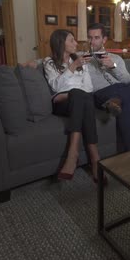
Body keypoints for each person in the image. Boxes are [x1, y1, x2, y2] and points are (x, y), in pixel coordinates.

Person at [43, 29, 104, 183]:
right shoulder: (49, 63)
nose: (76, 43)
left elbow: (88, 87)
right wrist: (72, 68)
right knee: (79, 95)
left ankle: (73, 154)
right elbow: (56, 86)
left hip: (79, 101)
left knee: (81, 95)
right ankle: (95, 158)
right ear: (61, 43)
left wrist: (74, 91)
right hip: (62, 105)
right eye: (72, 40)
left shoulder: (79, 60)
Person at [85, 23, 130, 151]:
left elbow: (127, 80)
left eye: (96, 38)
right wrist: (36, 62)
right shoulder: (83, 57)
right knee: (128, 101)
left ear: (104, 39)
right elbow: (55, 59)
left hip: (121, 88)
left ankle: (117, 99)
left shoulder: (115, 58)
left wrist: (113, 67)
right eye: (90, 38)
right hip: (101, 93)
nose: (92, 41)